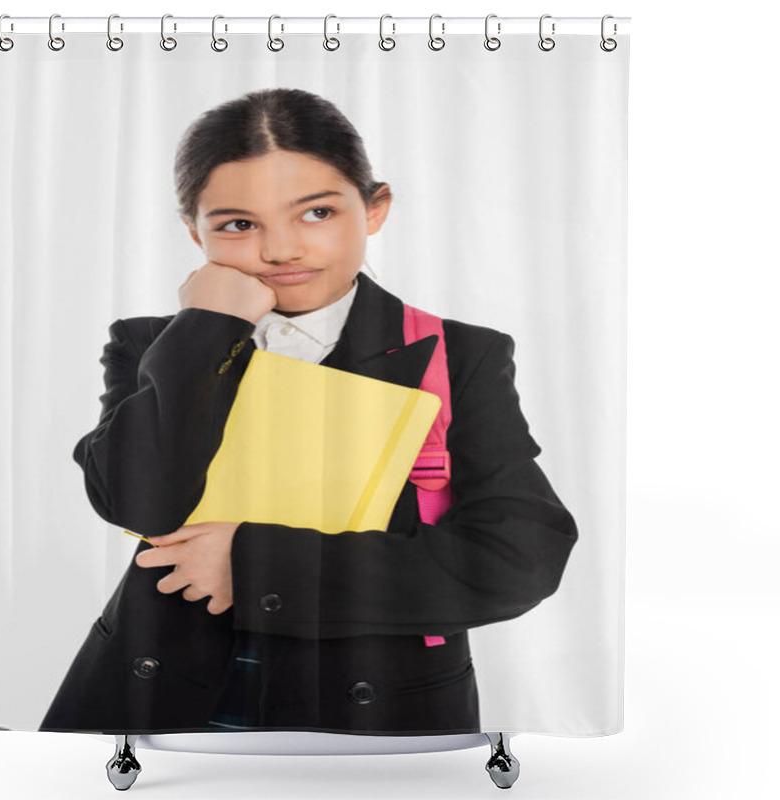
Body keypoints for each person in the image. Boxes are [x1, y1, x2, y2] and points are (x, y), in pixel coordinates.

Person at [39, 87, 578, 736]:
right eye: (238, 224)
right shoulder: (151, 342)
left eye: (316, 212)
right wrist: (207, 325)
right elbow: (135, 501)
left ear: (374, 208)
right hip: (163, 694)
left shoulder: (456, 354)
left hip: (376, 698)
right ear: (194, 232)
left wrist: (256, 565)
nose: (281, 249)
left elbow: (522, 556)